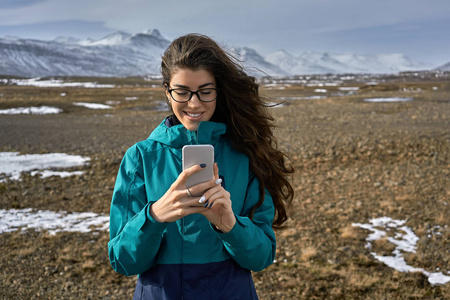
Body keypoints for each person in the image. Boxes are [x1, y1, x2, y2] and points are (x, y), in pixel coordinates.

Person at [108, 33, 294, 299]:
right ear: (167, 91)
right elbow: (122, 260)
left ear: (219, 91)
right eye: (182, 92)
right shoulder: (140, 158)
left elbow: (262, 257)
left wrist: (231, 226)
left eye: (205, 92)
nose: (194, 103)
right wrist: (155, 216)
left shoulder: (246, 155)